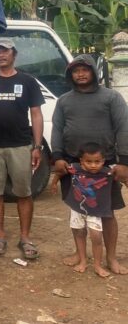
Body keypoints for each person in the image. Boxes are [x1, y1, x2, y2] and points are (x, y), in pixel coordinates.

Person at [51, 54, 128, 274]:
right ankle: (80, 253)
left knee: (107, 212)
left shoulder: (111, 97)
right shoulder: (64, 100)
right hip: (73, 165)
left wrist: (124, 161)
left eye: (85, 69)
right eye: (76, 71)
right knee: (78, 210)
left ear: (94, 71)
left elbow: (124, 128)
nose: (81, 74)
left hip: (104, 166)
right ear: (70, 75)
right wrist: (57, 157)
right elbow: (56, 129)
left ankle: (111, 258)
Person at [0, 37, 44, 260]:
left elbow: (36, 114)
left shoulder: (28, 81)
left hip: (21, 145)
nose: (1, 55)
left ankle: (25, 238)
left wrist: (37, 146)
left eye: (6, 51)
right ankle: (0, 236)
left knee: (24, 192)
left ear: (14, 54)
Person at [50, 142, 113, 277]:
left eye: (97, 161)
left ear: (103, 161)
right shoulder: (75, 168)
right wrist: (54, 182)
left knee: (96, 237)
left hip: (96, 211)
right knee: (79, 233)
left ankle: (97, 265)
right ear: (81, 160)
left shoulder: (108, 172)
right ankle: (83, 260)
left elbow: (122, 177)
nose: (93, 165)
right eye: (89, 161)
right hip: (77, 209)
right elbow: (60, 172)